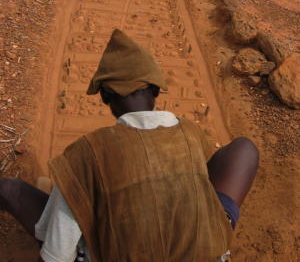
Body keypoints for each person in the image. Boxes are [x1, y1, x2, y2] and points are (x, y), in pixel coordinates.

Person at [0, 29, 259, 262]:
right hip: (207, 255)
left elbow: (57, 256)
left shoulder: (85, 154)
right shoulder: (189, 132)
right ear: (156, 90)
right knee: (243, 149)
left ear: (104, 96)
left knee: (10, 189)